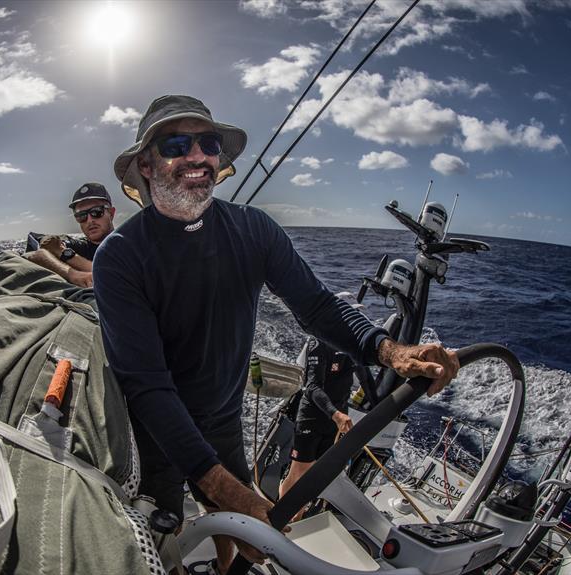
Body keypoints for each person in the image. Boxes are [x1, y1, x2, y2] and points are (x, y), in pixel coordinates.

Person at [93, 94, 459, 575]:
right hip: (151, 432)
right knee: (161, 541)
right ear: (145, 164)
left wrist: (391, 351)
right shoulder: (119, 257)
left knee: (233, 538)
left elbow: (319, 306)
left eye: (208, 143)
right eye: (177, 144)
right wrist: (227, 490)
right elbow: (146, 386)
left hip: (223, 418)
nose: (197, 155)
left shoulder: (254, 229)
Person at [278, 295, 373, 514]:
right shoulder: (318, 343)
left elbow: (366, 379)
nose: (355, 318)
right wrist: (336, 415)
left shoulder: (351, 346)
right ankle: (281, 520)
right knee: (298, 473)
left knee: (316, 474)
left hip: (335, 421)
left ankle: (296, 515)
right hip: (313, 417)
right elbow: (312, 388)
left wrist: (380, 407)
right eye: (351, 313)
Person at [25, 182, 116, 287]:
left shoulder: (130, 243)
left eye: (96, 212)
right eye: (81, 216)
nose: (90, 220)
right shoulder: (80, 246)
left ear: (111, 213)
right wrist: (72, 274)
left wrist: (68, 256)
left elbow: (118, 276)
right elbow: (39, 251)